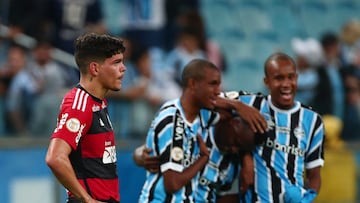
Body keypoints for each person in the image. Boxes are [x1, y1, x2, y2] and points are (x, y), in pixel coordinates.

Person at [136, 59, 266, 203]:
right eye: (213, 84)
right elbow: (172, 183)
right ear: (192, 84)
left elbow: (227, 112)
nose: (218, 91)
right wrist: (203, 159)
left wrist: (246, 155)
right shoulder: (173, 119)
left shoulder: (203, 118)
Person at [222, 52, 325, 202]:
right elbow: (209, 98)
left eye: (291, 77)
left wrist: (307, 198)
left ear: (296, 78)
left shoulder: (313, 120)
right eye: (279, 78)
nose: (286, 84)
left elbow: (314, 174)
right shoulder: (251, 103)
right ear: (267, 82)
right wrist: (237, 105)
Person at [45, 33, 126, 203]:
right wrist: (87, 199)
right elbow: (55, 158)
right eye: (116, 62)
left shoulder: (99, 102)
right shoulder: (79, 104)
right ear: (95, 68)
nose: (123, 68)